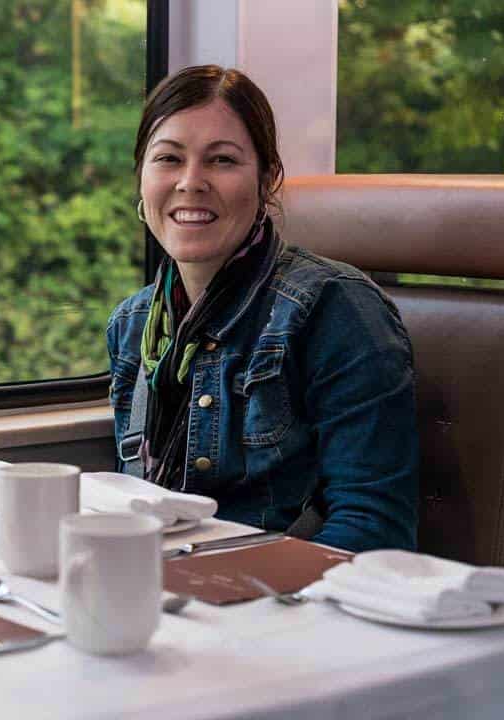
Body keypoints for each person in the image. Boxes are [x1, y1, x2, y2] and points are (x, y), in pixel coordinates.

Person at [107, 65, 418, 553]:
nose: (190, 182)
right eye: (168, 158)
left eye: (222, 161)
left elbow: (373, 530)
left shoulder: (335, 308)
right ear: (141, 181)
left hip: (277, 604)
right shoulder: (132, 326)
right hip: (164, 590)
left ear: (268, 179)